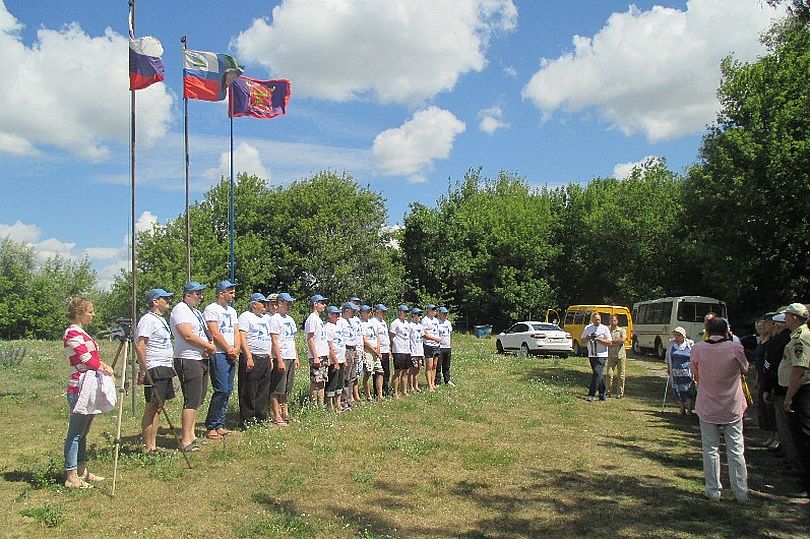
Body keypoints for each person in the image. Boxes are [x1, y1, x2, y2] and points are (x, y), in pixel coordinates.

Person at [691, 316, 749, 502]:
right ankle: (741, 492)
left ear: (707, 331)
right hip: (732, 405)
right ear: (727, 332)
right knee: (736, 450)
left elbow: (694, 372)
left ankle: (713, 491)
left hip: (707, 404)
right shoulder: (735, 348)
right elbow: (745, 368)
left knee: (710, 450)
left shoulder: (698, 348)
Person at [63, 297, 114, 488]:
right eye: (90, 311)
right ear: (79, 312)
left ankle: (82, 469)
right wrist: (104, 367)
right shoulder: (72, 333)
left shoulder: (82, 332)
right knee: (75, 433)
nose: (93, 315)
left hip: (89, 385)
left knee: (83, 432)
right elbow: (86, 358)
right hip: (78, 387)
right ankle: (71, 475)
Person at [170, 281, 216, 452]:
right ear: (188, 294)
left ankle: (192, 434)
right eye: (197, 294)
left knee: (198, 397)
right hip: (187, 358)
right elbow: (187, 335)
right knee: (191, 398)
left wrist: (208, 344)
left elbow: (204, 332)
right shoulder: (180, 310)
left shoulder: (195, 312)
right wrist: (209, 346)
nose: (200, 297)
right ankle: (186, 440)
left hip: (200, 357)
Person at [135, 288, 176, 453]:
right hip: (155, 367)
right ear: (155, 301)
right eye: (164, 298)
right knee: (152, 406)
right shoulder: (147, 320)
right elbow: (141, 345)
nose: (168, 301)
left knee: (159, 406)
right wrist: (143, 369)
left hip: (165, 366)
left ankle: (154, 444)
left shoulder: (161, 320)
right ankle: (148, 446)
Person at [777, 302, 810, 499]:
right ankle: (803, 474)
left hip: (802, 392)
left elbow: (799, 369)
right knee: (800, 435)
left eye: (788, 315)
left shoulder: (801, 338)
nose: (785, 319)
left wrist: (789, 396)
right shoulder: (797, 336)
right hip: (800, 391)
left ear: (795, 318)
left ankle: (807, 482)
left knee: (805, 436)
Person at [203, 280, 240, 440]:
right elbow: (215, 333)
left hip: (232, 354)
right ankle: (211, 425)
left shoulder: (232, 311)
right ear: (221, 293)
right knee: (221, 389)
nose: (233, 295)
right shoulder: (211, 309)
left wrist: (236, 349)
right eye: (230, 292)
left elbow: (236, 331)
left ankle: (220, 423)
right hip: (219, 353)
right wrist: (228, 349)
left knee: (228, 389)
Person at [237, 293, 273, 428]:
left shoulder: (264, 319)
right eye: (262, 303)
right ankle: (247, 419)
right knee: (248, 388)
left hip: (264, 357)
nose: (264, 305)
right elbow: (242, 337)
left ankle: (260, 417)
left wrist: (269, 358)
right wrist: (248, 356)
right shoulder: (246, 317)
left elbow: (268, 339)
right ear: (253, 304)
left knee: (262, 389)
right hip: (252, 356)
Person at [269, 292, 299, 426]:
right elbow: (274, 341)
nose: (289, 306)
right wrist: (279, 360)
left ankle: (285, 412)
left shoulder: (290, 319)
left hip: (290, 356)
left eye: (290, 304)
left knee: (287, 388)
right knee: (277, 388)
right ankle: (276, 415)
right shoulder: (275, 319)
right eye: (287, 303)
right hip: (280, 357)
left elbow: (292, 339)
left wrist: (296, 357)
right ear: (279, 303)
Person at [581, 313, 612, 401]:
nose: (598, 321)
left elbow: (610, 342)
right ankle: (602, 394)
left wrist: (599, 339)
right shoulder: (588, 328)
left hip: (602, 355)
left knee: (597, 373)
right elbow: (582, 341)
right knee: (598, 374)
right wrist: (588, 337)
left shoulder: (604, 328)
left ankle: (591, 394)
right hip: (592, 354)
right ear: (592, 320)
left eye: (599, 319)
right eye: (596, 319)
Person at [305, 294, 329, 407]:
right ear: (315, 304)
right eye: (322, 303)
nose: (324, 305)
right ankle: (314, 405)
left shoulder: (318, 319)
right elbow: (310, 339)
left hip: (323, 354)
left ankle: (321, 404)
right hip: (317, 355)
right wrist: (315, 356)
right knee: (315, 381)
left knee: (322, 380)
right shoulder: (311, 319)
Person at [665, 326, 696, 415]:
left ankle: (689, 409)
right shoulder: (671, 344)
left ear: (683, 335)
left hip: (687, 372)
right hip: (675, 372)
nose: (677, 337)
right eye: (675, 335)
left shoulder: (689, 344)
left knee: (688, 390)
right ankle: (681, 408)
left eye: (679, 335)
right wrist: (668, 368)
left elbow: (694, 357)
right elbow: (668, 356)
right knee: (677, 389)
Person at [323, 305, 346, 412]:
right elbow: (329, 346)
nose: (338, 316)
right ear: (330, 315)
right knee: (332, 382)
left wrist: (343, 360)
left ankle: (338, 403)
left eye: (338, 314)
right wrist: (335, 362)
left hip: (341, 358)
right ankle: (330, 405)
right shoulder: (328, 327)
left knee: (340, 383)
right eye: (336, 314)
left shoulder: (338, 326)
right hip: (334, 360)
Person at [360, 305, 384, 400]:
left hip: (376, 350)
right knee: (368, 373)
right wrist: (374, 351)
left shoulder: (373, 322)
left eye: (370, 311)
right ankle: (368, 395)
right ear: (362, 313)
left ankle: (380, 394)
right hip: (368, 351)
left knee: (380, 372)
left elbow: (377, 336)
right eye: (367, 312)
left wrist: (378, 349)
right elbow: (365, 341)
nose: (369, 313)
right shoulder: (361, 324)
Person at [389, 304, 411, 399]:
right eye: (405, 312)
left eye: (407, 312)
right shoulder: (395, 323)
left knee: (406, 371)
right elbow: (391, 337)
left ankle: (404, 391)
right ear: (400, 312)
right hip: (398, 350)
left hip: (407, 350)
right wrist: (391, 349)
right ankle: (395, 392)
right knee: (397, 372)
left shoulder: (407, 323)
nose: (406, 314)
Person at [340, 302, 358, 410]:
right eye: (353, 310)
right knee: (345, 377)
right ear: (346, 310)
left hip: (353, 349)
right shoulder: (341, 322)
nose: (355, 313)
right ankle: (344, 400)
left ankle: (349, 398)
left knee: (352, 376)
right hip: (346, 349)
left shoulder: (351, 322)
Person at [605, 314, 627, 398]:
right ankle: (608, 391)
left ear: (617, 321)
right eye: (611, 320)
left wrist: (611, 342)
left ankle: (620, 393)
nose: (613, 322)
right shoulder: (607, 330)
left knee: (621, 375)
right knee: (609, 374)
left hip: (620, 355)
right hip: (611, 355)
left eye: (614, 320)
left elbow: (623, 340)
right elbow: (605, 340)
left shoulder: (621, 330)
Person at [422, 304, 441, 392]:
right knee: (429, 366)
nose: (435, 311)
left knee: (434, 365)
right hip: (428, 345)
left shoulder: (436, 320)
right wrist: (434, 339)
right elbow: (424, 334)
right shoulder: (425, 320)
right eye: (433, 310)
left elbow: (437, 332)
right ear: (428, 310)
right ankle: (429, 385)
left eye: (435, 310)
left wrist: (438, 339)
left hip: (436, 345)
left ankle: (433, 383)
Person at [373, 304, 392, 395]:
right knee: (378, 373)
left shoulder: (383, 322)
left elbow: (386, 336)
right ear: (377, 311)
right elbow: (376, 337)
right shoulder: (374, 322)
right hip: (379, 351)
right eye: (382, 311)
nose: (384, 313)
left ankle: (385, 389)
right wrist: (378, 350)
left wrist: (389, 349)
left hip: (385, 349)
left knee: (386, 372)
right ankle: (377, 392)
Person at [436, 307, 455, 387]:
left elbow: (449, 333)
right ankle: (437, 382)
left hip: (447, 346)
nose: (445, 315)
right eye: (444, 313)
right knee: (438, 365)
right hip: (440, 347)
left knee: (446, 365)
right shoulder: (437, 322)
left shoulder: (448, 323)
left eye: (446, 313)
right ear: (439, 313)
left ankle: (447, 380)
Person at [409, 307, 425, 393]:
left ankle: (416, 386)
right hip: (413, 351)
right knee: (412, 369)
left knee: (418, 369)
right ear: (414, 315)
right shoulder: (410, 326)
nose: (420, 317)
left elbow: (422, 337)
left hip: (420, 350)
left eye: (420, 315)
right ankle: (411, 386)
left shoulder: (420, 326)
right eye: (418, 315)